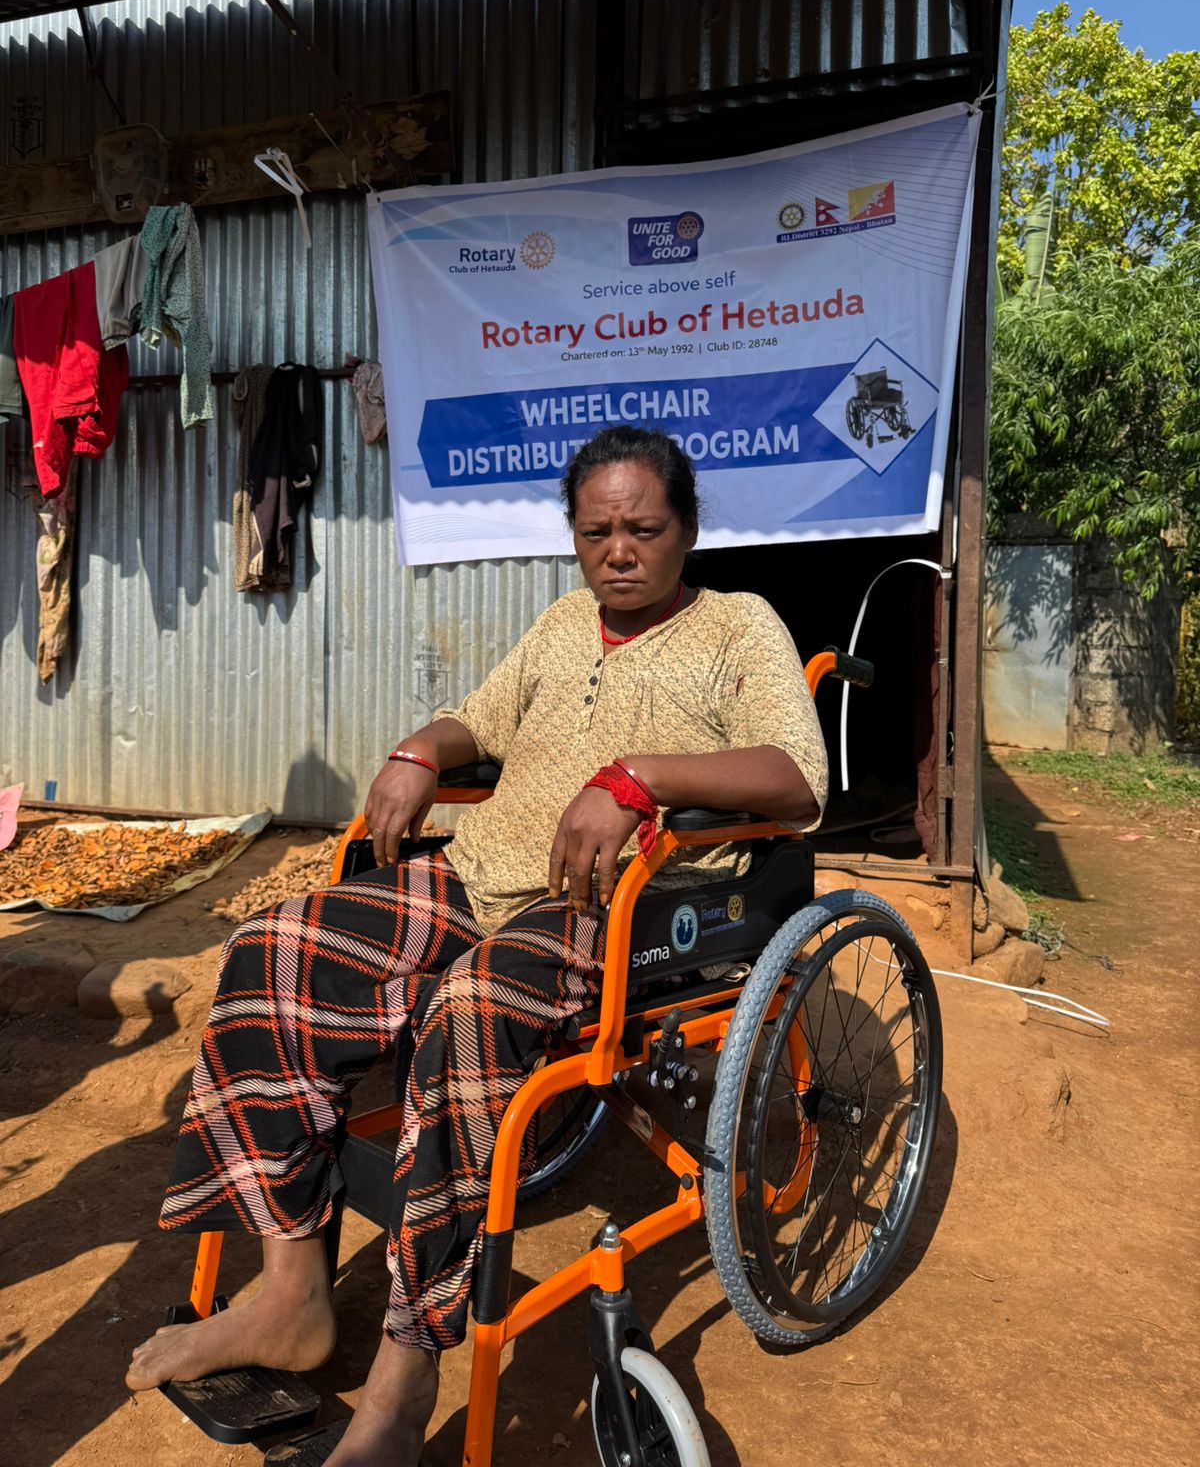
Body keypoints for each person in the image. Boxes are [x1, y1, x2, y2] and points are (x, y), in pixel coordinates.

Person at [126, 425, 828, 1467]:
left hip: (611, 910)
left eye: (644, 528)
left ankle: (407, 1373)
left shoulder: (737, 628)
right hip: (475, 872)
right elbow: (477, 721)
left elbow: (798, 776)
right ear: (574, 535)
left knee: (469, 1006)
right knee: (269, 950)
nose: (619, 551)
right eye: (597, 531)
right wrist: (422, 748)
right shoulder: (558, 626)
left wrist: (639, 777)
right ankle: (289, 1293)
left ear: (687, 530)